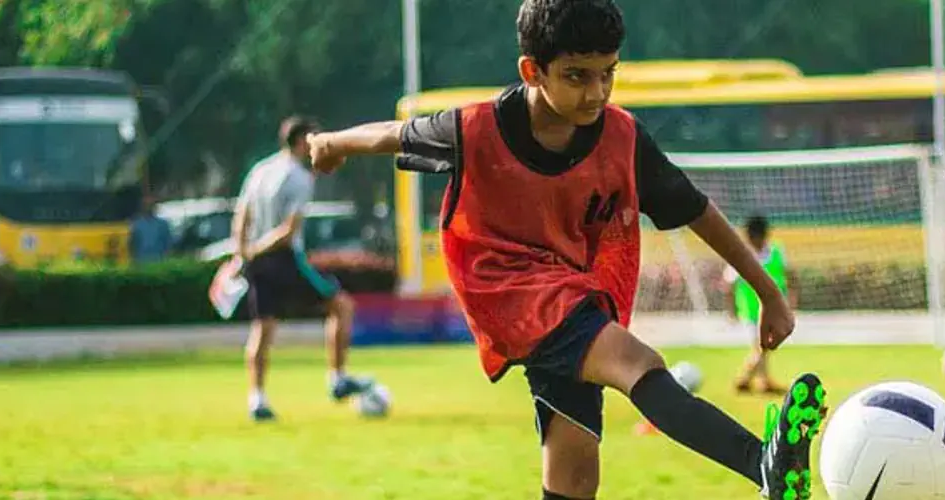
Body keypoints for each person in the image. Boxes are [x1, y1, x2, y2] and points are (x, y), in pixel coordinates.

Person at [292, 2, 825, 497]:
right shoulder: (476, 128)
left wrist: (768, 292)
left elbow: (696, 211)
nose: (596, 92)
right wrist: (332, 143)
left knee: (575, 474)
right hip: (506, 289)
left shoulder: (622, 138)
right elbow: (394, 134)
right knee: (636, 361)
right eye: (577, 76)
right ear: (532, 71)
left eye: (608, 72)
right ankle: (763, 464)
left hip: (577, 293)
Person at [229, 116, 369, 422]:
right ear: (300, 140)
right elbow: (288, 231)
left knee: (261, 331)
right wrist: (254, 250)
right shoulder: (300, 178)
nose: (317, 145)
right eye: (313, 139)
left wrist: (242, 253)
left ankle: (257, 399)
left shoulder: (259, 170)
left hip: (257, 263)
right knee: (342, 306)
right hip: (282, 259)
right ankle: (337, 379)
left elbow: (242, 215)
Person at [728, 215, 792, 394]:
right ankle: (745, 378)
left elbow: (789, 276)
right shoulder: (740, 255)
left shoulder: (777, 252)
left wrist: (791, 300)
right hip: (750, 310)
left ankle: (762, 382)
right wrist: (732, 310)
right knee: (762, 346)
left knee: (764, 346)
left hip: (774, 310)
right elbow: (729, 284)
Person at [129, 194, 172, 264]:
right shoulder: (136, 225)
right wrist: (134, 260)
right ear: (142, 207)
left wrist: (166, 259)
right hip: (141, 261)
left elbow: (168, 244)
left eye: (151, 205)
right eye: (146, 205)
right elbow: (132, 244)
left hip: (159, 261)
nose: (149, 207)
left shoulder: (163, 224)